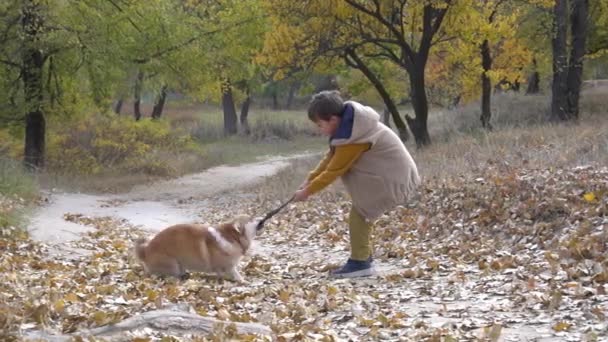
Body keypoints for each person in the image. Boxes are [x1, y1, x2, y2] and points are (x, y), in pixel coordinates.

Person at [293, 90, 420, 278]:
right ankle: (363, 258)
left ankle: (360, 263)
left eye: (320, 125)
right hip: (391, 175)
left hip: (394, 179)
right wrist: (309, 180)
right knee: (361, 213)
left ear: (333, 119)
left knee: (360, 215)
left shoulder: (355, 137)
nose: (319, 129)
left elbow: (334, 170)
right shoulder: (351, 128)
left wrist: (307, 192)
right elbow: (330, 158)